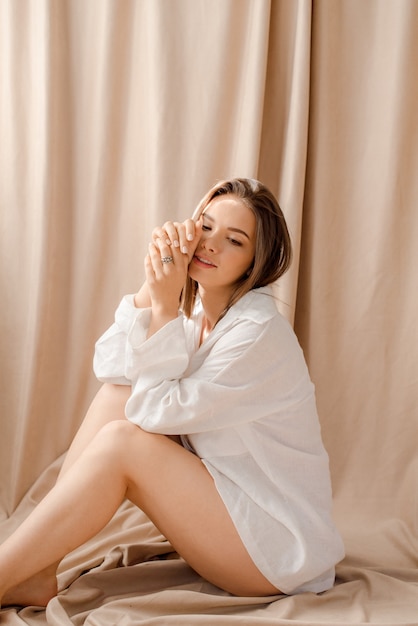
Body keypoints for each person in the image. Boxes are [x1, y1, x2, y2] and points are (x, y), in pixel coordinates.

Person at [0, 178, 344, 608]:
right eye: (205, 226)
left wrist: (164, 307)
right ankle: (34, 569)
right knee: (115, 399)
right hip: (229, 509)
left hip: (278, 551)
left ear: (257, 262)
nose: (211, 245)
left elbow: (152, 412)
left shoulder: (257, 334)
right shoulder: (201, 312)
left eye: (234, 241)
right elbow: (112, 369)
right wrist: (152, 289)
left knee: (123, 441)